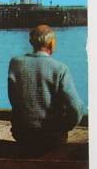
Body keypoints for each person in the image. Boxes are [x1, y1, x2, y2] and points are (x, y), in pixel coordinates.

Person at [7, 24, 83, 154]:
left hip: (23, 134)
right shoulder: (59, 68)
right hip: (51, 136)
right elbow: (76, 107)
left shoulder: (15, 63)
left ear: (32, 42)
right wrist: (65, 126)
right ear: (51, 43)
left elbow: (14, 99)